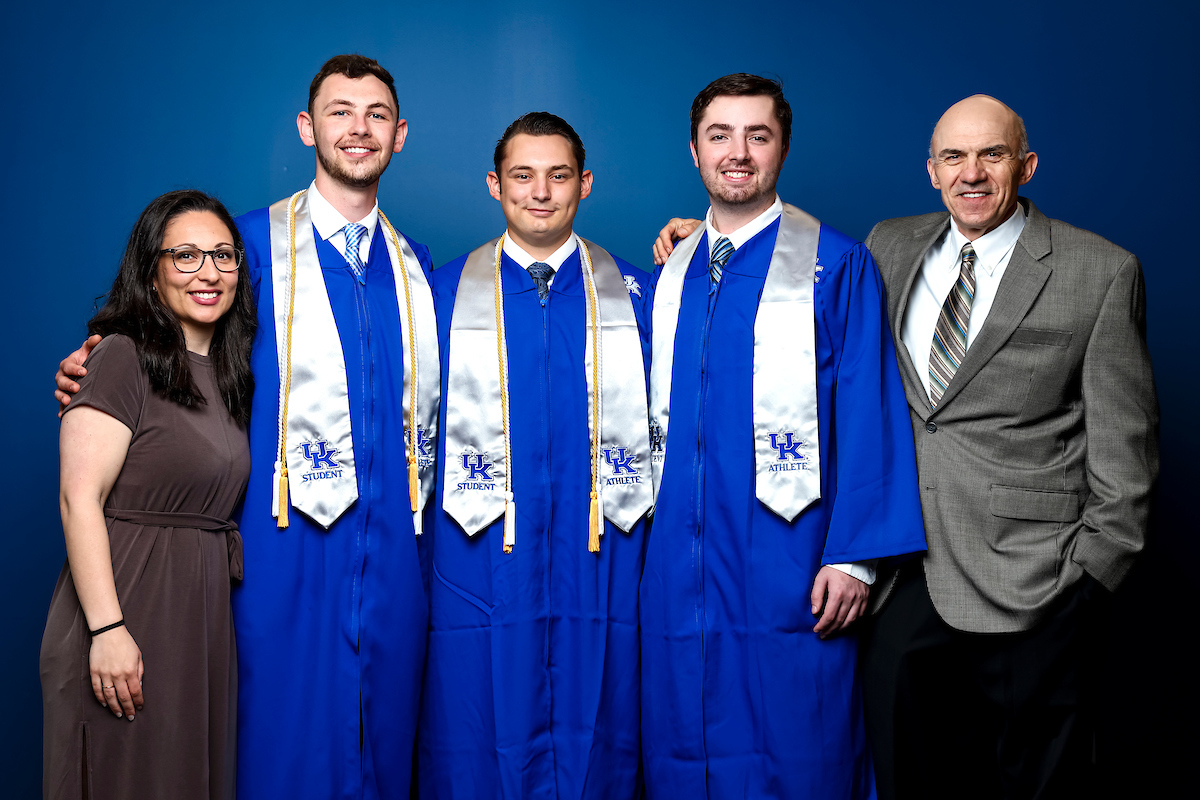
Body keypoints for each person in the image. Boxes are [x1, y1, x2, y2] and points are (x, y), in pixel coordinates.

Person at [55, 55, 438, 799]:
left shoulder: (418, 269)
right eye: (339, 111)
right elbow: (158, 334)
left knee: (385, 744)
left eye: (377, 115)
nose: (358, 129)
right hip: (276, 550)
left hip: (391, 555)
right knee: (269, 747)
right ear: (307, 127)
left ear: (399, 138)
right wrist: (93, 358)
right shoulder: (248, 250)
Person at [855, 95, 1159, 800]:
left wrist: (1086, 579)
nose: (972, 173)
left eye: (991, 155)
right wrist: (712, 241)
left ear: (1026, 166)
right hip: (909, 573)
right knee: (907, 775)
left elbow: (1127, 448)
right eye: (954, 157)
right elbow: (809, 304)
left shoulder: (1101, 270)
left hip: (1039, 584)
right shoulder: (887, 245)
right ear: (932, 171)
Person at [640, 74, 926, 799]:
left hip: (790, 557)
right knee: (683, 736)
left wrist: (857, 559)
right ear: (695, 150)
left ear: (783, 148)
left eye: (757, 136)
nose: (738, 153)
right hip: (680, 555)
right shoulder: (670, 273)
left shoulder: (836, 266)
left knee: (801, 745)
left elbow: (871, 408)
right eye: (720, 136)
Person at [420, 112, 653, 798]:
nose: (541, 192)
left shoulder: (640, 293)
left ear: (585, 183)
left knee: (605, 725)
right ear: (496, 185)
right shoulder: (438, 293)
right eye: (523, 176)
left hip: (601, 555)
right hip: (479, 557)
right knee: (475, 726)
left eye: (559, 176)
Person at [41, 190, 255, 800]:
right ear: (151, 269)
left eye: (222, 255)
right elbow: (77, 498)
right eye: (184, 256)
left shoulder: (236, 374)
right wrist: (107, 628)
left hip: (202, 618)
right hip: (128, 603)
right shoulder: (118, 357)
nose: (208, 272)